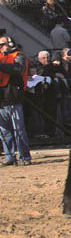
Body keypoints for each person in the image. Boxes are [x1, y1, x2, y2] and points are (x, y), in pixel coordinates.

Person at [0, 36, 32, 166]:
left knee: (18, 129)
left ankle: (24, 156)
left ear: (10, 44)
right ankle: (9, 156)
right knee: (4, 131)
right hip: (2, 98)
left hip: (13, 97)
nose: (0, 47)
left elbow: (17, 69)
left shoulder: (19, 56)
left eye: (2, 44)